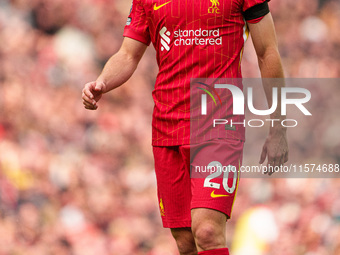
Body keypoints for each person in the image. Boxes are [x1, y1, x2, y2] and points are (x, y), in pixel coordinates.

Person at [82, 0, 288, 254]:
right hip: (167, 126)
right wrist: (101, 82)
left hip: (218, 123)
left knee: (207, 232)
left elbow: (267, 51)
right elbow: (128, 54)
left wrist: (278, 126)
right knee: (186, 241)